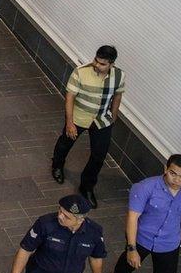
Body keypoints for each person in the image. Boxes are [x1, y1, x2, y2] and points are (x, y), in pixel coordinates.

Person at [112, 154, 181, 273]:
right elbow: (132, 218)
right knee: (126, 265)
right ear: (165, 169)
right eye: (173, 173)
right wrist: (132, 248)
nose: (177, 180)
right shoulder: (145, 187)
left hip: (169, 242)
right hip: (142, 237)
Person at [50, 45, 125, 208]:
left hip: (102, 120)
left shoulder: (119, 76)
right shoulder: (81, 72)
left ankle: (87, 186)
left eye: (102, 64)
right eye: (96, 61)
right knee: (66, 142)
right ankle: (57, 165)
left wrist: (114, 115)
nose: (97, 65)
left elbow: (118, 95)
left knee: (99, 155)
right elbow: (70, 97)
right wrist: (70, 122)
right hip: (79, 117)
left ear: (111, 64)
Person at [4, 194, 105, 273]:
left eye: (66, 216)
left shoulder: (94, 232)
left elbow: (96, 257)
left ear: (80, 220)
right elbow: (25, 250)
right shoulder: (45, 224)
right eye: (60, 211)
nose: (60, 216)